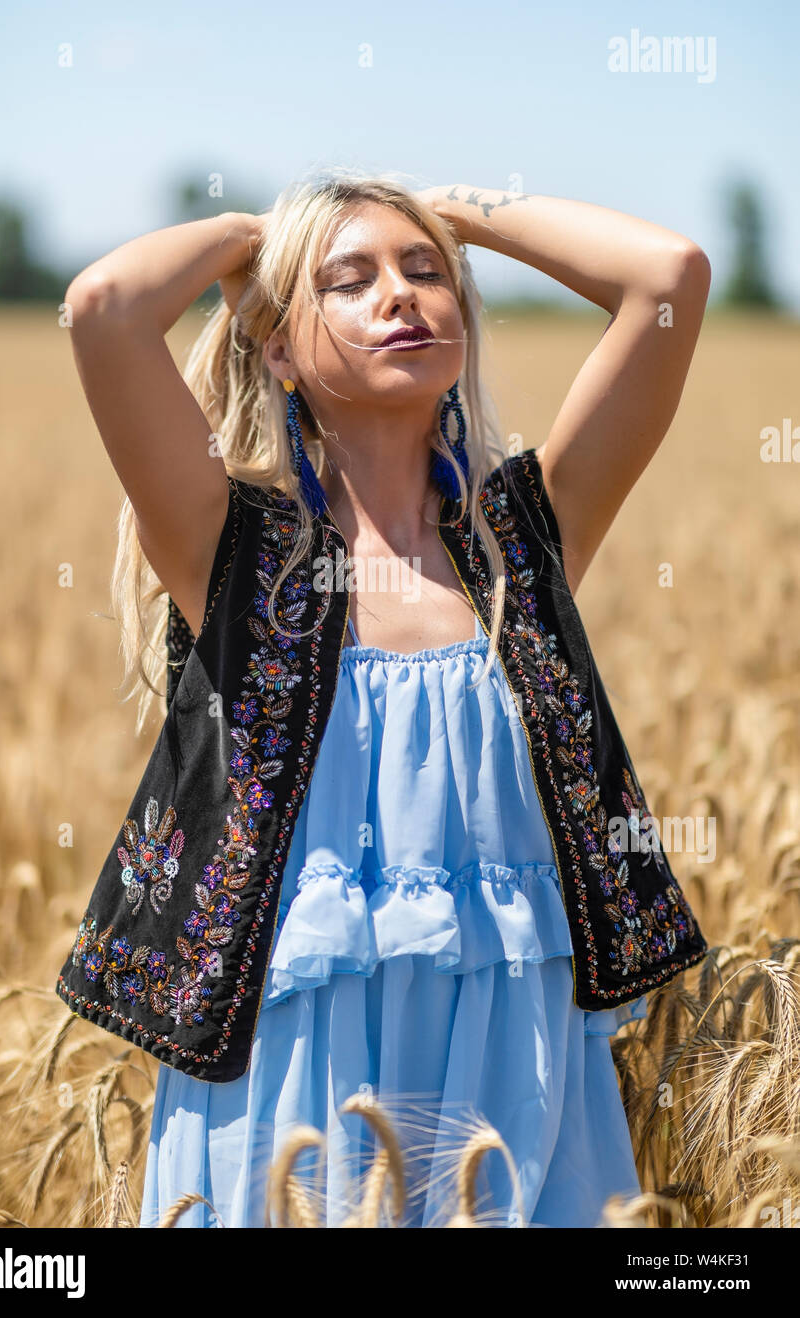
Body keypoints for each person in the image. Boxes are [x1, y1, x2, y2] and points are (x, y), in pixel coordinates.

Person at [62, 170, 711, 1227]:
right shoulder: (230, 549)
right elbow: (104, 307)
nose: (401, 296)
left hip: (521, 1060)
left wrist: (451, 208)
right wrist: (260, 233)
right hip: (294, 1065)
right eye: (349, 283)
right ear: (276, 347)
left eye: (425, 275)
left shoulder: (521, 542)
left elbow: (668, 277)